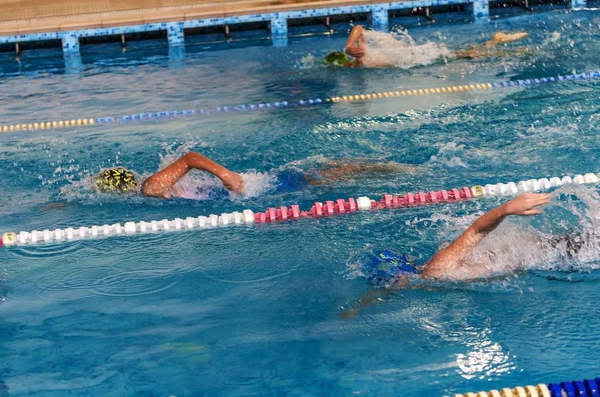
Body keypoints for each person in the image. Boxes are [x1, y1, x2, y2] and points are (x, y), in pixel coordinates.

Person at [341, 193, 553, 318]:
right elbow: (383, 294)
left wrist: (506, 209)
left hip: (540, 250)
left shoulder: (439, 270)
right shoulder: (432, 279)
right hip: (533, 256)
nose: (395, 287)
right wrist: (358, 308)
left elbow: (477, 230)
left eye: (395, 283)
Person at [95, 151, 418, 199]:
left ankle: (395, 168)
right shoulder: (150, 187)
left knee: (331, 177)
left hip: (257, 188)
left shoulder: (150, 189)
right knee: (329, 174)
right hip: (261, 187)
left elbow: (191, 157)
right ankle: (384, 166)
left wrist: (226, 177)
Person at [324, 24, 529, 67]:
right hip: (412, 58)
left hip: (417, 56)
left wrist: (348, 47)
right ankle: (495, 41)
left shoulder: (359, 56)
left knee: (466, 55)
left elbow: (358, 27)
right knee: (463, 55)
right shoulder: (361, 60)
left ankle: (496, 41)